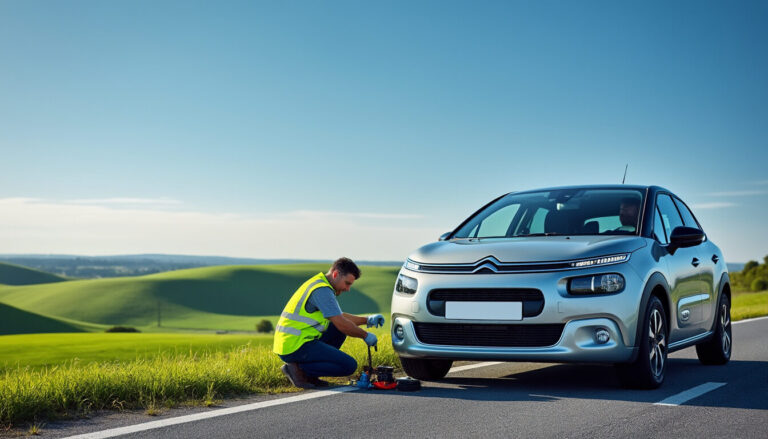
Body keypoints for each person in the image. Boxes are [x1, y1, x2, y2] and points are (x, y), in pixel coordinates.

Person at [273, 257, 384, 389]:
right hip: (295, 345)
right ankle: (298, 369)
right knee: (348, 366)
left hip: (296, 341)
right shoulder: (322, 290)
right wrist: (365, 335)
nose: (348, 289)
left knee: (338, 330)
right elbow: (342, 323)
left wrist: (368, 320)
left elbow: (339, 317)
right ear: (336, 274)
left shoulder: (320, 284)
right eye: (347, 283)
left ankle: (309, 374)